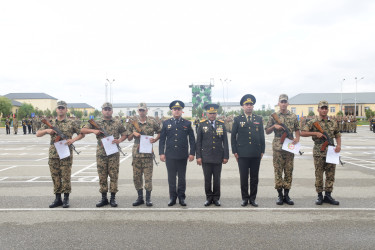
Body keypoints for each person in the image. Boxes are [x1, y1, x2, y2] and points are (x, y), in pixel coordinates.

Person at [36, 100, 84, 208]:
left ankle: (66, 199)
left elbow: (82, 134)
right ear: (56, 110)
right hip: (53, 153)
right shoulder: (51, 123)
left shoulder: (71, 123)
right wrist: (47, 130)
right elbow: (38, 134)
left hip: (66, 153)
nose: (61, 109)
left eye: (63, 108)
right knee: (55, 176)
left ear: (66, 110)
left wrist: (73, 140)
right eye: (59, 108)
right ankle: (58, 198)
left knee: (66, 176)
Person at [81, 102, 127, 207]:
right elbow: (82, 130)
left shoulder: (117, 123)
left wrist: (119, 140)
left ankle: (113, 198)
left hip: (113, 154)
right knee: (102, 176)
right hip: (101, 154)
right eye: (105, 109)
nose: (107, 111)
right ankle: (104, 198)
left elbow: (125, 134)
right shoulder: (96, 122)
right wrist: (93, 130)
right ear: (102, 111)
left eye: (109, 109)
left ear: (112, 111)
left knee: (113, 176)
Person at [300, 101, 341, 205]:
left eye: (326, 108)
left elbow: (337, 134)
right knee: (319, 174)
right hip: (319, 152)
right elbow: (302, 133)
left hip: (331, 151)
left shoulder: (333, 122)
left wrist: (339, 146)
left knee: (330, 174)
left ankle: (328, 195)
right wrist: (315, 133)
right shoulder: (313, 122)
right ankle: (319, 196)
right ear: (318, 109)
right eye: (322, 108)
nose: (324, 110)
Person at [265, 94, 300, 205]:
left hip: (290, 147)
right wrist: (274, 126)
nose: (283, 104)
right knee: (278, 171)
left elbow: (297, 129)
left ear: (288, 103)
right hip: (278, 148)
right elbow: (267, 131)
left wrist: (297, 138)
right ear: (278, 103)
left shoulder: (293, 116)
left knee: (289, 171)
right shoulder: (274, 116)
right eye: (281, 102)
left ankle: (286, 195)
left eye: (285, 102)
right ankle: (280, 195)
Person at [159, 100, 195, 206]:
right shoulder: (166, 123)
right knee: (171, 178)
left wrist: (192, 153)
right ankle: (172, 198)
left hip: (182, 155)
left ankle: (182, 197)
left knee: (182, 178)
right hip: (170, 155)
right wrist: (161, 153)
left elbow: (192, 140)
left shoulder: (187, 123)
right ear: (172, 111)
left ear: (181, 111)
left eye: (179, 109)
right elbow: (162, 140)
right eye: (175, 109)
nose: (177, 111)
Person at [231, 94, 265, 207]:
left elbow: (261, 136)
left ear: (253, 106)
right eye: (247, 104)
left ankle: (253, 198)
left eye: (251, 104)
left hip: (255, 153)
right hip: (242, 154)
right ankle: (245, 198)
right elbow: (233, 137)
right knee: (244, 177)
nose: (249, 106)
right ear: (242, 106)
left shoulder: (258, 119)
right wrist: (235, 151)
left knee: (254, 178)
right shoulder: (237, 119)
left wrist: (262, 150)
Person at [127, 103, 161, 207]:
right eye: (140, 110)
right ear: (138, 111)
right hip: (137, 154)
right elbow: (128, 137)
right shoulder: (133, 122)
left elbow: (160, 131)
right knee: (137, 177)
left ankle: (148, 199)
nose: (141, 112)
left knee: (148, 177)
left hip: (147, 154)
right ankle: (140, 197)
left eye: (143, 110)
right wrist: (133, 133)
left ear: (146, 110)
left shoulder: (152, 121)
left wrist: (155, 139)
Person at [196, 104, 229, 206]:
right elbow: (199, 142)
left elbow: (225, 141)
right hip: (206, 156)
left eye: (214, 113)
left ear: (216, 114)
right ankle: (208, 198)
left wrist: (226, 156)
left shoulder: (221, 124)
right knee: (207, 179)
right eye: (210, 113)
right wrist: (198, 156)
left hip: (218, 156)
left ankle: (216, 198)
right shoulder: (202, 124)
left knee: (217, 179)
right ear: (206, 114)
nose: (212, 115)